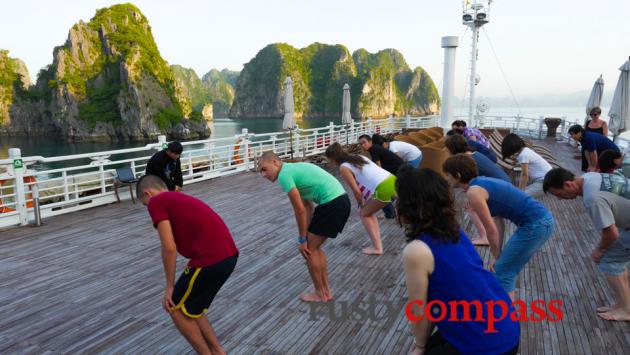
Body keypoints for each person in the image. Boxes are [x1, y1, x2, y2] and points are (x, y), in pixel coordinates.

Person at [397, 166, 520, 355]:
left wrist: (420, 346)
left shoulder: (416, 251)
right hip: (506, 327)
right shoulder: (454, 231)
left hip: (487, 345)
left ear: (409, 205)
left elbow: (419, 310)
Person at [137, 174, 238, 355]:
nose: (148, 208)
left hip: (210, 257)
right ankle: (218, 352)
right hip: (228, 256)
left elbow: (169, 247)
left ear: (148, 193)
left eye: (145, 204)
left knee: (173, 305)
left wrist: (169, 286)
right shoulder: (178, 197)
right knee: (193, 308)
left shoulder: (157, 201)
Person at [443, 154, 555, 300]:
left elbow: (490, 229)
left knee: (502, 273)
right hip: (541, 221)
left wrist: (495, 256)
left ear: (457, 175)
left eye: (447, 175)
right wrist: (498, 253)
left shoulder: (474, 192)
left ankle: (505, 319)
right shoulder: (483, 182)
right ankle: (505, 316)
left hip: (536, 224)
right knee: (502, 270)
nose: (445, 179)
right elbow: (498, 222)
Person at [258, 151, 350, 302]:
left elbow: (299, 210)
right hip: (340, 201)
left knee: (308, 250)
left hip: (332, 204)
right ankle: (326, 291)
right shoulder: (292, 170)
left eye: (264, 169)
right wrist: (306, 234)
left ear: (275, 162)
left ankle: (320, 293)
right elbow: (308, 207)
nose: (263, 175)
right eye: (260, 172)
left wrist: (302, 240)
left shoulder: (284, 175)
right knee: (314, 248)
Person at [543, 168, 630, 322]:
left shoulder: (592, 198)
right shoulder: (590, 176)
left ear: (568, 185)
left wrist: (599, 250)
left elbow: (611, 233)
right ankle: (624, 305)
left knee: (610, 262)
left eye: (559, 194)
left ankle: (626, 310)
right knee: (617, 261)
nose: (560, 199)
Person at [325, 143, 396, 255]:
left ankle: (377, 248)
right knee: (368, 212)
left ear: (333, 158)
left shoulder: (344, 167)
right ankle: (377, 245)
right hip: (392, 179)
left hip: (384, 188)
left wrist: (360, 203)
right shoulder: (359, 157)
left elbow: (356, 191)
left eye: (329, 160)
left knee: (364, 213)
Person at [444, 135, 510, 247]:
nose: (445, 150)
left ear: (452, 148)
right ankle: (489, 237)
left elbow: (473, 180)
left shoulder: (466, 160)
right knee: (474, 206)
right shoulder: (472, 154)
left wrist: (471, 198)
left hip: (499, 187)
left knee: (471, 208)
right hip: (502, 183)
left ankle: (485, 237)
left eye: (447, 148)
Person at [358, 134, 405, 218]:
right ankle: (392, 211)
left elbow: (379, 168)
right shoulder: (374, 148)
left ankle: (392, 212)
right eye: (360, 144)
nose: (362, 145)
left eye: (364, 143)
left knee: (383, 190)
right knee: (393, 191)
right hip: (400, 169)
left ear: (370, 142)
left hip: (399, 171)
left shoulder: (373, 150)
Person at [500, 133, 552, 198]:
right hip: (547, 178)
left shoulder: (523, 155)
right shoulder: (526, 150)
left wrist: (520, 191)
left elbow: (525, 175)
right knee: (521, 195)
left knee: (520, 197)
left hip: (544, 181)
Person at [579, 107, 609, 171]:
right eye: (591, 114)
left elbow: (604, 137)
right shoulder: (588, 122)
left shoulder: (603, 123)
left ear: (599, 114)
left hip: (598, 148)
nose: (593, 116)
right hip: (587, 147)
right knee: (586, 165)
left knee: (596, 167)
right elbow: (584, 133)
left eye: (595, 114)